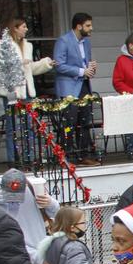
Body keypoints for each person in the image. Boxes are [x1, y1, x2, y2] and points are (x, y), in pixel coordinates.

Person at [0, 17, 54, 162]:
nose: (26, 29)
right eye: (24, 27)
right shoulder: (3, 44)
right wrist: (20, 63)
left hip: (27, 90)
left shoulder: (27, 45)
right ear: (15, 28)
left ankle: (30, 157)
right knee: (13, 127)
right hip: (12, 91)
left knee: (30, 125)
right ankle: (14, 159)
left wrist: (46, 64)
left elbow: (30, 69)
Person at [53, 12, 98, 166]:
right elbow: (58, 65)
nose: (91, 28)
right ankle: (67, 157)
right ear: (79, 26)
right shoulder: (64, 41)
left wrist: (91, 68)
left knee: (85, 121)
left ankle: (84, 154)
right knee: (69, 123)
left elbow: (85, 64)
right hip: (69, 87)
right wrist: (81, 71)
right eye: (88, 25)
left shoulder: (86, 42)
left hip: (84, 85)